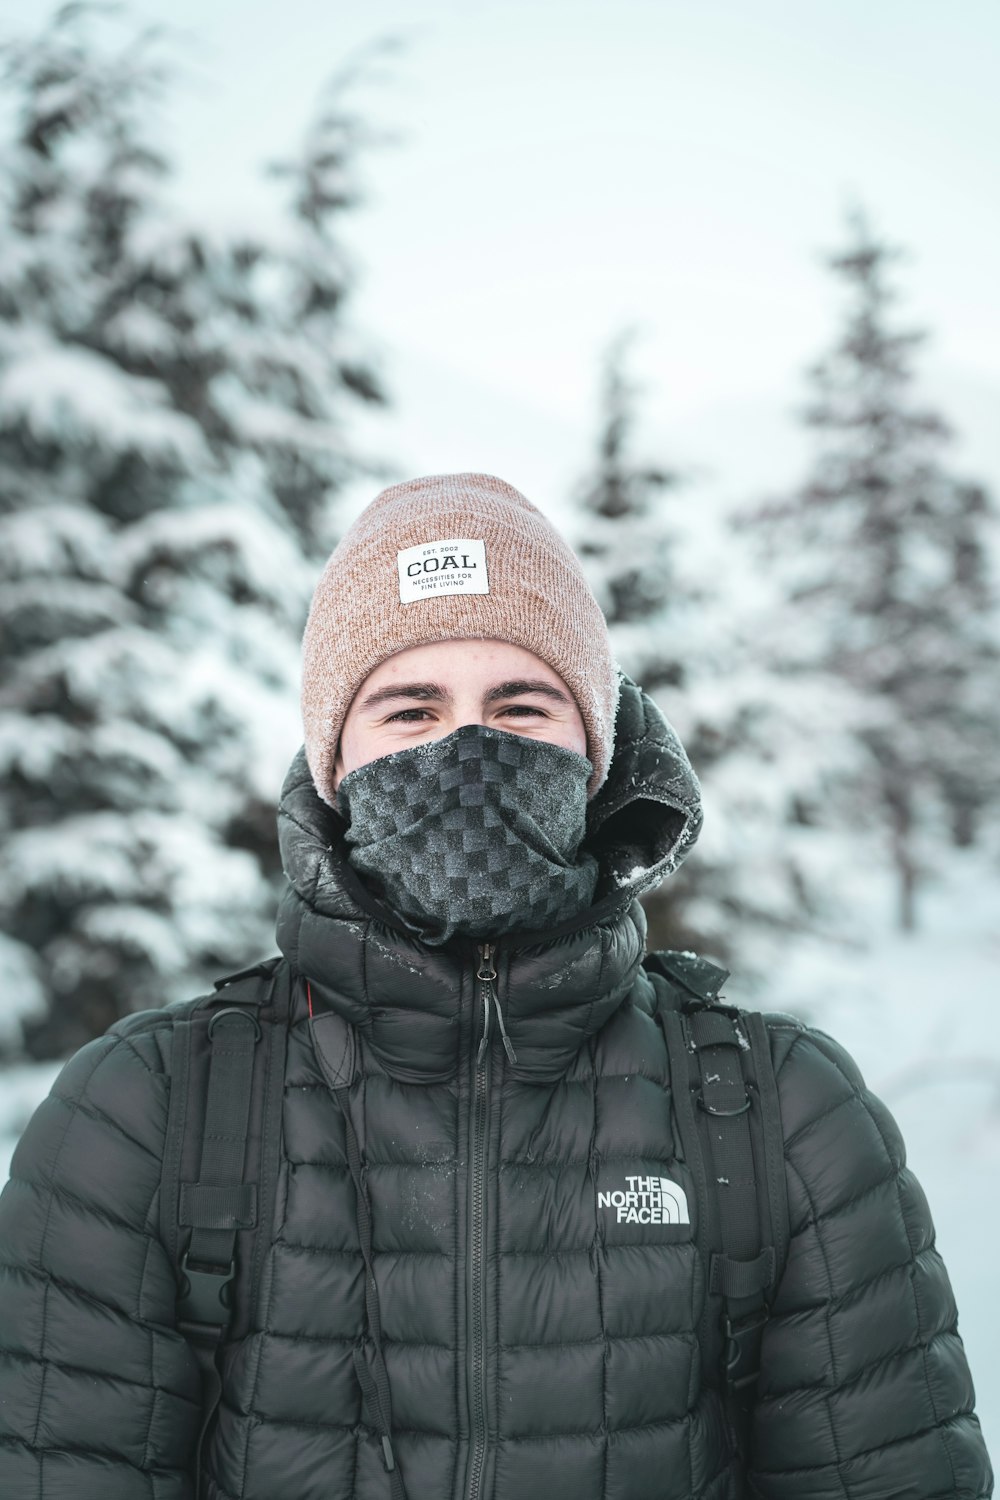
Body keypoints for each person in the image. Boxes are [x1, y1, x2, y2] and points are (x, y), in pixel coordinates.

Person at [0, 472, 992, 1500]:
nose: (467, 750)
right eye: (410, 708)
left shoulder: (780, 1113)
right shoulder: (147, 1111)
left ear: (597, 753)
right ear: (335, 758)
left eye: (521, 705)